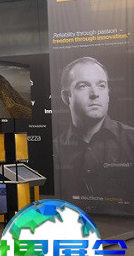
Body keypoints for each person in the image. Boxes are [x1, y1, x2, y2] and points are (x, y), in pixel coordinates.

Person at [56, 57, 134, 207]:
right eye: (83, 86)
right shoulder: (54, 149)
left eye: (101, 85)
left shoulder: (131, 141)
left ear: (108, 93)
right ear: (66, 97)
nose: (95, 93)